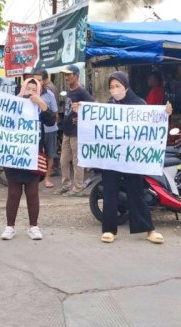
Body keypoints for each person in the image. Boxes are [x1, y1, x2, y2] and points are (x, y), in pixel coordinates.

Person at [100, 71, 171, 244]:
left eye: (117, 86)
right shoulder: (108, 106)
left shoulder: (139, 104)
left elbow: (151, 124)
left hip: (132, 157)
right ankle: (109, 230)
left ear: (126, 86)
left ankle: (149, 229)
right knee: (110, 191)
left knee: (136, 192)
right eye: (111, 87)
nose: (114, 90)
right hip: (112, 156)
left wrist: (164, 113)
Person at [0, 78, 55, 240]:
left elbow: (51, 121)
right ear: (22, 89)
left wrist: (41, 104)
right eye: (27, 88)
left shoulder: (40, 109)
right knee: (13, 193)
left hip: (33, 156)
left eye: (34, 89)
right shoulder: (13, 106)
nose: (30, 92)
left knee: (32, 193)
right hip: (15, 156)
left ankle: (34, 226)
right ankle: (10, 227)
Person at [55, 64, 94, 197]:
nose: (66, 77)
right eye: (65, 75)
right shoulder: (70, 91)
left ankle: (77, 187)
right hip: (67, 131)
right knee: (63, 160)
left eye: (68, 75)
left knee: (77, 161)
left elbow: (92, 105)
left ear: (76, 75)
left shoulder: (81, 91)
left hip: (77, 132)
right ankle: (66, 185)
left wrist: (81, 117)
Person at [34, 69, 59, 188]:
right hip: (34, 130)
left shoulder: (50, 95)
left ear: (44, 81)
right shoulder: (29, 93)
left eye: (39, 80)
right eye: (35, 80)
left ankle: (47, 178)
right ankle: (34, 178)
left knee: (50, 154)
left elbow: (55, 114)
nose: (37, 82)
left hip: (49, 129)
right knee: (35, 153)